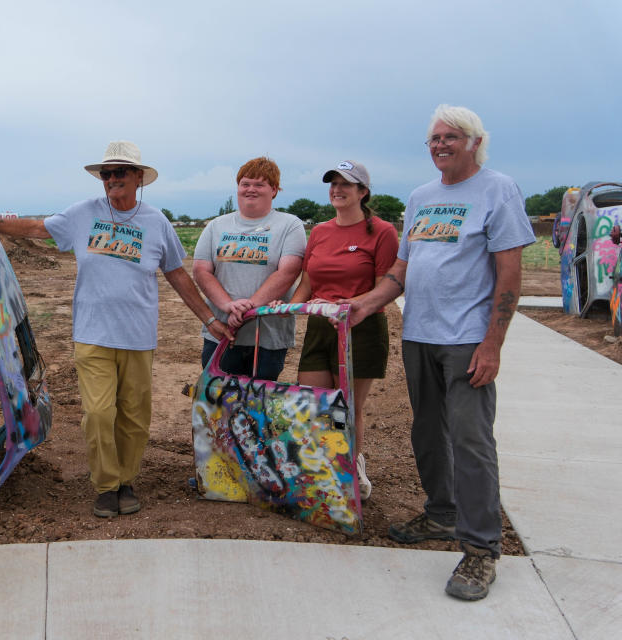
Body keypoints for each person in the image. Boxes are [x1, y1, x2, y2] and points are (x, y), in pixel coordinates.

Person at [0, 141, 232, 520]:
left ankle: (127, 481)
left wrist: (209, 320)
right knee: (98, 413)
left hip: (138, 336)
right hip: (92, 335)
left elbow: (177, 274)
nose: (111, 179)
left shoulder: (157, 222)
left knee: (133, 416)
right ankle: (107, 486)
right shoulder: (82, 215)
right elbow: (34, 227)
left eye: (120, 173)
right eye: (106, 174)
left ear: (139, 178)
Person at [346, 105, 535, 601]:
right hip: (420, 336)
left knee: (472, 439)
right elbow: (402, 271)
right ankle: (442, 513)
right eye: (433, 138)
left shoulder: (499, 189)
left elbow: (509, 274)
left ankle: (480, 550)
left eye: (451, 137)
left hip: (468, 339)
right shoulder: (421, 197)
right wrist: (365, 304)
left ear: (475, 142)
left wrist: (492, 344)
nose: (440, 145)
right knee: (428, 429)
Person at [281, 160, 398, 502]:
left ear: (363, 192)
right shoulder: (319, 231)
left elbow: (383, 287)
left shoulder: (382, 232)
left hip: (359, 325)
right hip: (321, 323)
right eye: (333, 183)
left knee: (347, 407)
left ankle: (346, 471)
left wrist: (351, 307)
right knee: (315, 403)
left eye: (346, 184)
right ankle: (319, 470)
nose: (337, 189)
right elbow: (309, 281)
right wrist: (288, 310)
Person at [192, 157, 306, 380]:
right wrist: (228, 305)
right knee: (219, 404)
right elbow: (201, 271)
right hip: (222, 333)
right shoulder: (217, 226)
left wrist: (249, 308)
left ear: (273, 189)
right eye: (245, 184)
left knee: (258, 408)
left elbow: (287, 272)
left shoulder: (290, 225)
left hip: (267, 337)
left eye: (259, 184)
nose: (250, 189)